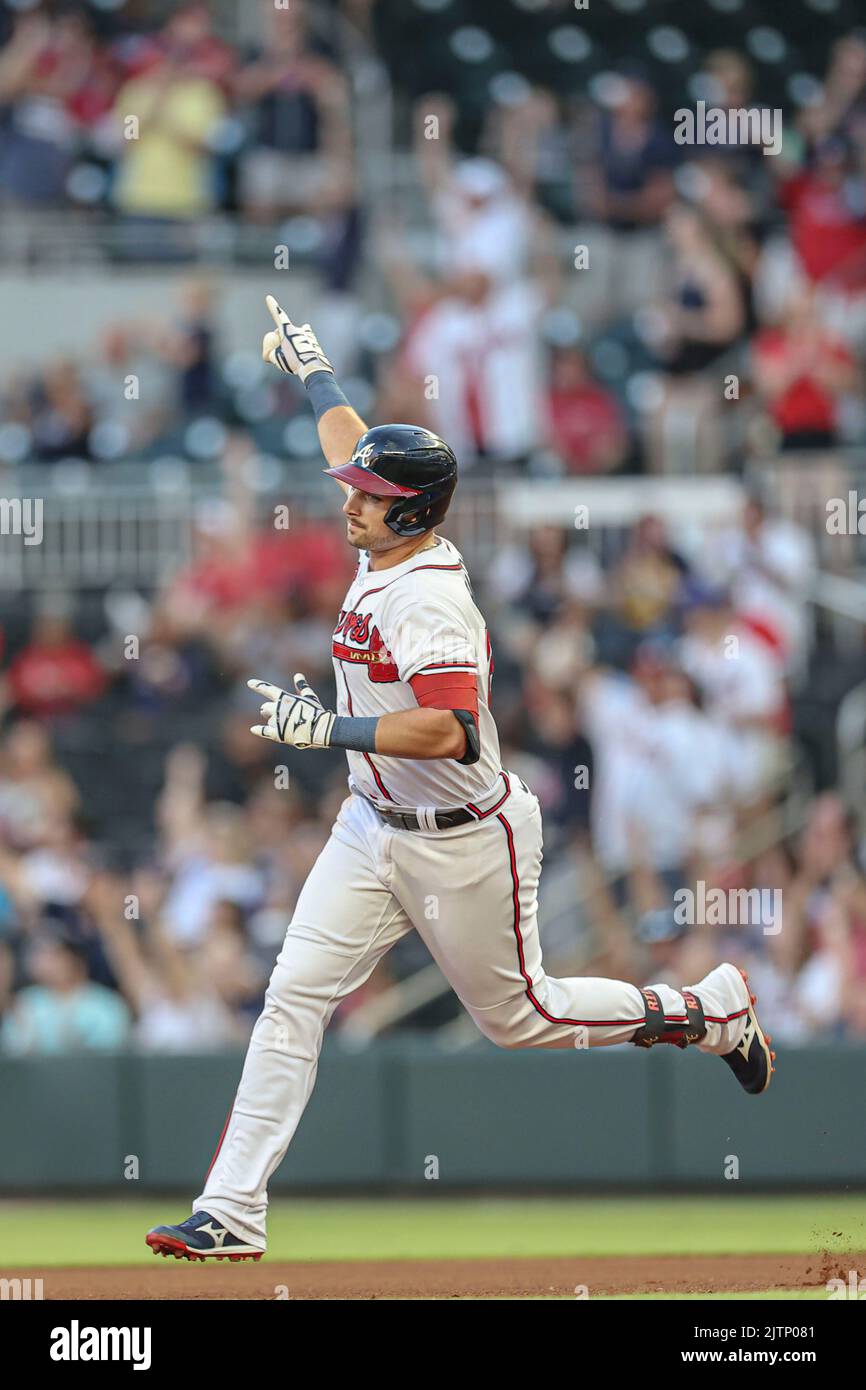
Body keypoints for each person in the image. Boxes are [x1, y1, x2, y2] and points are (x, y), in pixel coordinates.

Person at [145, 295, 775, 1263]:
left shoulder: (429, 597)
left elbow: (450, 734)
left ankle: (708, 1010)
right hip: (371, 827)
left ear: (409, 507)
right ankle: (231, 1211)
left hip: (464, 836)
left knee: (523, 1019)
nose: (346, 498)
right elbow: (351, 434)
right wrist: (310, 366)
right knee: (292, 995)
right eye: (353, 487)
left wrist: (333, 725)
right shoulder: (387, 532)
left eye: (365, 492)